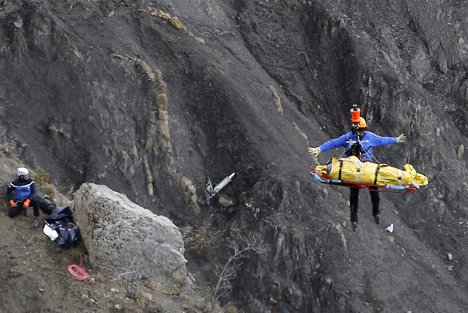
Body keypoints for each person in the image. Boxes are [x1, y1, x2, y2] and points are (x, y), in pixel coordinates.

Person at [308, 117, 406, 230]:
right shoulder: (348, 138)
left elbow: (382, 140)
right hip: (353, 169)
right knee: (354, 194)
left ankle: (376, 212)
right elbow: (334, 143)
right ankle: (354, 220)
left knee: (374, 190)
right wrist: (319, 149)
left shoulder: (370, 137)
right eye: (360, 130)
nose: (361, 132)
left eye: (363, 129)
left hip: (367, 168)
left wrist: (396, 140)